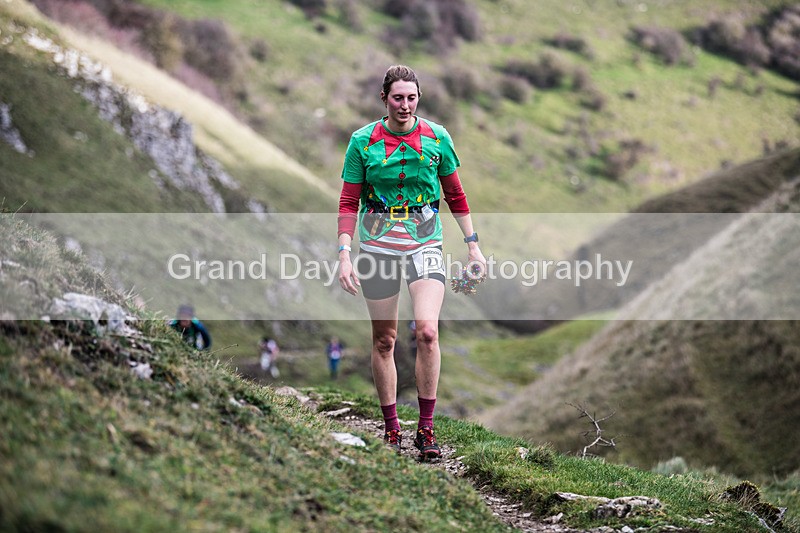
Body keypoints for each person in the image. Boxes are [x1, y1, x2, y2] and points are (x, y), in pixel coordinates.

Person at [336, 65, 486, 459]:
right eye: (397, 97)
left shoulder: (438, 137)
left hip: (425, 246)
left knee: (427, 332)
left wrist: (473, 246)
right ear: (384, 98)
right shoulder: (362, 141)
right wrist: (345, 254)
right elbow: (349, 201)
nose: (405, 105)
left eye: (412, 97)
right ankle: (390, 429)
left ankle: (426, 430)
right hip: (377, 248)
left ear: (419, 99)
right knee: (384, 340)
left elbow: (456, 194)